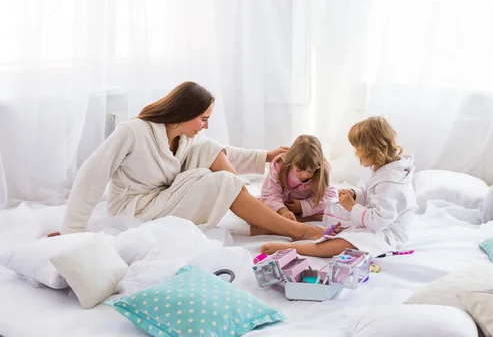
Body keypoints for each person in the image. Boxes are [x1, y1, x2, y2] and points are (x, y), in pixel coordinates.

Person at [48, 81, 325, 241]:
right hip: (135, 209)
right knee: (221, 181)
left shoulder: (182, 139)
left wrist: (266, 156)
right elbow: (92, 174)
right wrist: (71, 231)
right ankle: (292, 229)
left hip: (162, 196)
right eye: (203, 119)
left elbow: (222, 152)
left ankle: (258, 213)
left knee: (210, 150)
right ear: (185, 112)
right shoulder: (133, 132)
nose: (205, 125)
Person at [260, 116, 417, 257]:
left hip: (386, 233)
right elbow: (371, 193)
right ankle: (289, 225)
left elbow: (377, 221)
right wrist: (355, 194)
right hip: (375, 221)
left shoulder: (391, 184)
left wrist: (352, 206)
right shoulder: (385, 171)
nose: (356, 153)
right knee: (334, 211)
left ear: (372, 151)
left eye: (358, 149)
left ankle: (293, 248)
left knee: (343, 243)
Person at [260, 135, 338, 223]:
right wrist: (282, 210)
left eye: (310, 171)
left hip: (310, 205)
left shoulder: (323, 169)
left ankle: (301, 219)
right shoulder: (280, 167)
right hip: (282, 203)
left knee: (335, 212)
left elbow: (330, 195)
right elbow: (270, 193)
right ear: (291, 161)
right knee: (259, 209)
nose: (304, 175)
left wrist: (302, 207)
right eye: (298, 170)